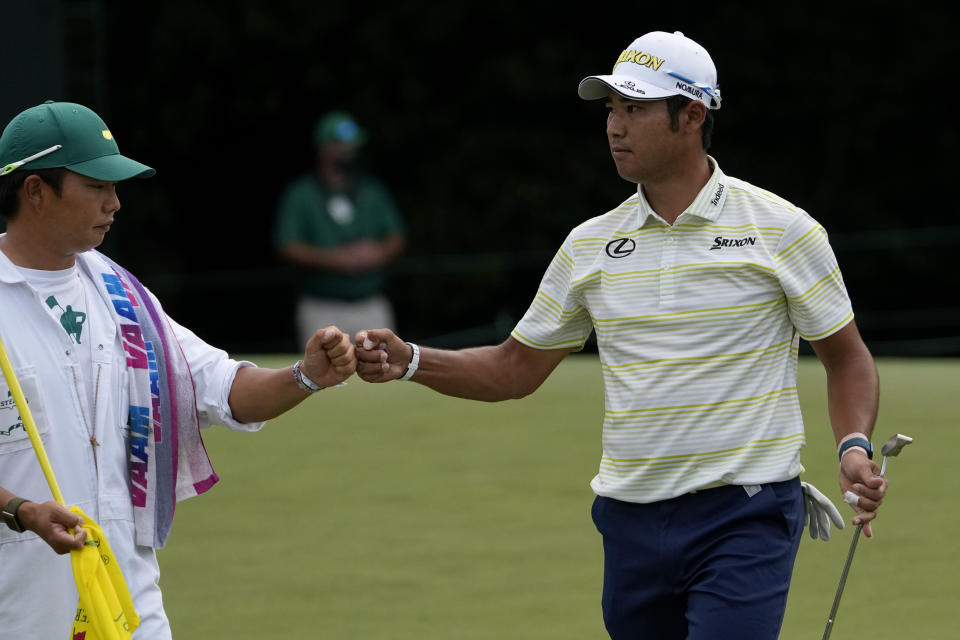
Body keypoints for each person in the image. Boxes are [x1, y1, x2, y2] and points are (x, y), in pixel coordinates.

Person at [354, 31, 885, 639]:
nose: (614, 126)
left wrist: (852, 445)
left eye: (634, 109)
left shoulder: (783, 230)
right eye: (610, 109)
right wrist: (412, 360)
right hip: (630, 518)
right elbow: (512, 369)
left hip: (746, 511)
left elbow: (846, 358)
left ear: (691, 115)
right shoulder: (588, 245)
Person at [0, 100, 356, 639]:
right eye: (96, 186)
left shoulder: (122, 294)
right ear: (35, 191)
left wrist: (304, 376)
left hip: (128, 599)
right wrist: (20, 510)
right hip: (21, 604)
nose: (114, 203)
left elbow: (219, 386)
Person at [273, 110, 406, 345]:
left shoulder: (371, 189)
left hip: (371, 303)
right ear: (324, 148)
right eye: (343, 145)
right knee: (322, 377)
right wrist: (335, 259)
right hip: (321, 306)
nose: (350, 151)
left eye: (354, 145)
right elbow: (287, 245)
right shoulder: (301, 194)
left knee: (382, 371)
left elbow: (396, 236)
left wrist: (377, 253)